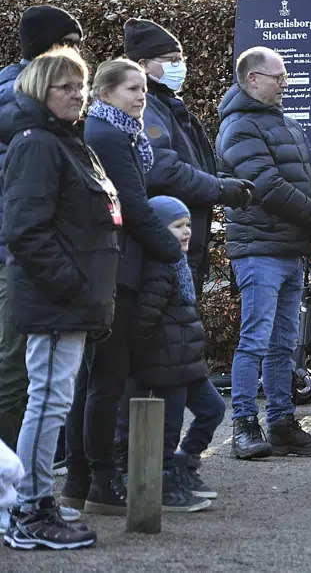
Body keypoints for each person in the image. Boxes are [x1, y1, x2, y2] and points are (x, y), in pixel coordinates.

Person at [1, 47, 114, 551]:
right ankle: (30, 508)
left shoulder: (68, 142)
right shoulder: (39, 145)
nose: (78, 93)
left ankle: (35, 499)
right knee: (46, 403)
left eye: (81, 84)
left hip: (72, 300)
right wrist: (73, 285)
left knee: (53, 401)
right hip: (55, 301)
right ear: (39, 91)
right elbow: (26, 232)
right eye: (65, 86)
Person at [63, 59, 183, 516]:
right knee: (105, 380)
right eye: (132, 89)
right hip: (116, 271)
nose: (141, 96)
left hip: (114, 267)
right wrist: (170, 251)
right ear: (106, 92)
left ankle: (81, 479)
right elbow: (131, 204)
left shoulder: (118, 133)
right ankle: (98, 481)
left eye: (143, 89)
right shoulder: (110, 136)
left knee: (93, 381)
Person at [216, 46, 311, 460]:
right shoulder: (238, 128)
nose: (285, 82)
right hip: (259, 250)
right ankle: (245, 424)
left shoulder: (288, 123)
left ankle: (283, 424)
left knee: (284, 342)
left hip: (291, 249)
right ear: (252, 79)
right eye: (278, 76)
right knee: (255, 339)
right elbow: (266, 186)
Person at [0, 6, 84, 455]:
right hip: (23, 258)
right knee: (16, 368)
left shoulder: (53, 119)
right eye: (67, 44)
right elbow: (27, 214)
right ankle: (11, 482)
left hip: (40, 255)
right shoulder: (28, 119)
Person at [125, 18, 254, 296]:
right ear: (143, 64)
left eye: (180, 59)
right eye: (170, 59)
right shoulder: (146, 109)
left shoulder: (168, 106)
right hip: (163, 245)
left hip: (183, 243)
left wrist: (222, 183)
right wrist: (219, 189)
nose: (179, 66)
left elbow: (194, 166)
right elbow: (163, 170)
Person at [130, 196, 222, 513]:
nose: (186, 232)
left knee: (213, 409)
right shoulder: (159, 268)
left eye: (187, 226)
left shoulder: (180, 265)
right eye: (177, 226)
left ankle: (186, 464)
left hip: (187, 362)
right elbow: (145, 319)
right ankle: (164, 482)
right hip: (167, 365)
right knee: (169, 430)